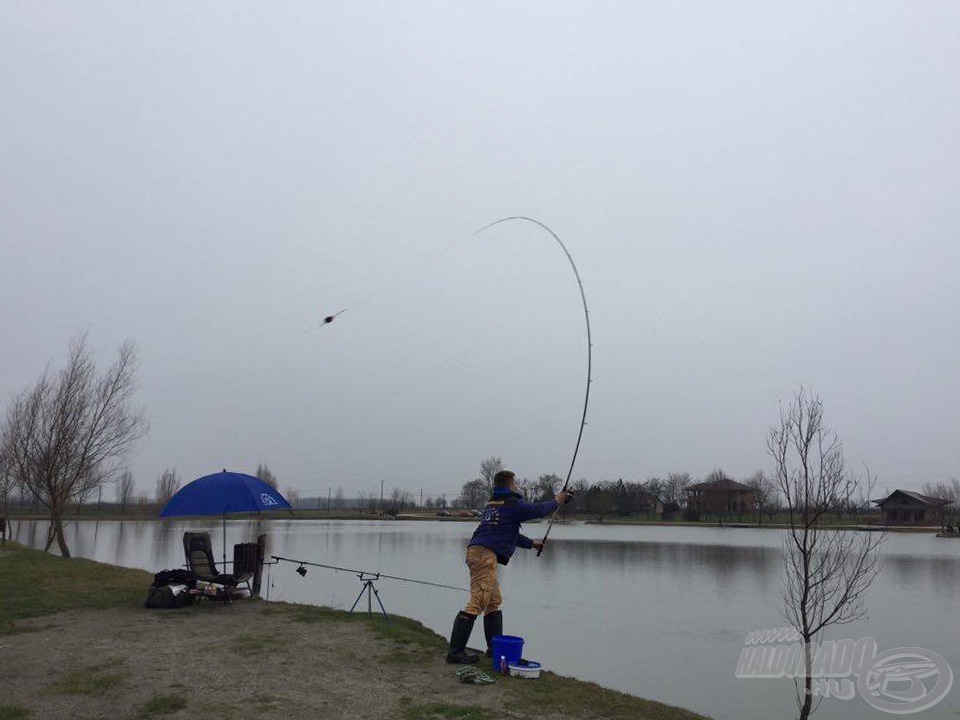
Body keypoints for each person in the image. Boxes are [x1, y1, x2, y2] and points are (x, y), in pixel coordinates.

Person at [445, 469, 571, 664]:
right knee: (478, 600)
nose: (515, 485)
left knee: (493, 601)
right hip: (484, 555)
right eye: (514, 482)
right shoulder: (511, 504)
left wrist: (532, 544)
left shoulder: (494, 504)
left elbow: (508, 533)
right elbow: (536, 510)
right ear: (509, 484)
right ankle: (455, 652)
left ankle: (493, 649)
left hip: (479, 552)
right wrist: (557, 500)